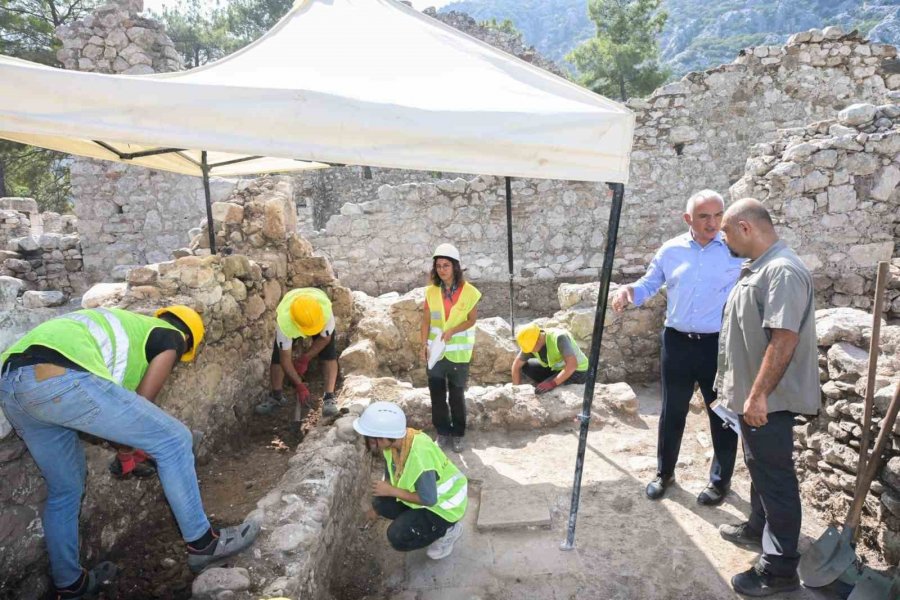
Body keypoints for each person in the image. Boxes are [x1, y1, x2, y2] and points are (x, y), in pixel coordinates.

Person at [0, 306, 259, 599]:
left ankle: (71, 585)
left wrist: (126, 456)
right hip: (59, 378)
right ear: (187, 339)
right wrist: (134, 452)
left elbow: (117, 418)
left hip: (13, 384)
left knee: (65, 489)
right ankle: (204, 544)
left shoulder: (125, 333)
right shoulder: (170, 337)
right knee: (174, 440)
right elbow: (141, 405)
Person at [611, 190, 743, 505]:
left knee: (721, 414)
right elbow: (650, 282)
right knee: (672, 412)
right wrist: (630, 291)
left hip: (717, 345)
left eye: (717, 215)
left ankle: (719, 482)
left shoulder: (735, 251)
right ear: (688, 219)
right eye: (704, 216)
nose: (713, 223)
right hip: (677, 342)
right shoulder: (671, 250)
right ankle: (664, 474)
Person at [715, 198, 819, 596]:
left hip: (769, 402)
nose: (721, 238)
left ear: (744, 227)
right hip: (754, 399)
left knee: (775, 479)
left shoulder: (782, 271)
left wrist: (758, 396)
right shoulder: (761, 268)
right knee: (759, 467)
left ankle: (778, 570)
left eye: (725, 231)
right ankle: (758, 527)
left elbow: (784, 337)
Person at [354, 401, 467, 560]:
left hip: (445, 507)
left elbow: (429, 499)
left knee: (397, 536)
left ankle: (448, 530)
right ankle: (417, 519)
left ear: (387, 436)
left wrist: (391, 491)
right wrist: (377, 508)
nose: (371, 443)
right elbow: (391, 478)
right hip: (425, 495)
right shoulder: (393, 444)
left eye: (373, 439)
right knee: (380, 500)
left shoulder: (419, 456)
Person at [420, 243, 481, 453]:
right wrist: (423, 346)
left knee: (456, 396)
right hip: (435, 353)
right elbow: (426, 322)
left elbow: (472, 320)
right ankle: (443, 432)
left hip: (458, 354)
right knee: (436, 395)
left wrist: (453, 330)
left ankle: (458, 434)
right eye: (438, 266)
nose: (442, 270)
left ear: (455, 267)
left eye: (446, 265)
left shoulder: (469, 293)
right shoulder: (431, 292)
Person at [256, 287, 339, 418]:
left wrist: (305, 358)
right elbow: (285, 360)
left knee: (329, 354)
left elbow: (325, 338)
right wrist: (299, 385)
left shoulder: (324, 313)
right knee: (277, 357)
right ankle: (277, 396)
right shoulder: (285, 323)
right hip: (294, 319)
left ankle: (329, 397)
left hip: (316, 315)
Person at [511, 323, 589, 393]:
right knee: (526, 366)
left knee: (540, 391)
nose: (530, 350)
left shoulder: (559, 338)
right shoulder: (531, 342)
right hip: (556, 369)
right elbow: (516, 366)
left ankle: (553, 382)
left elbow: (572, 365)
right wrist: (516, 390)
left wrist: (552, 383)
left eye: (532, 347)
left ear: (538, 339)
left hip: (577, 371)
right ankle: (551, 380)